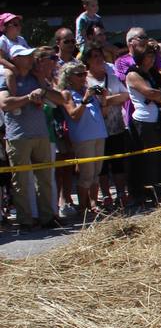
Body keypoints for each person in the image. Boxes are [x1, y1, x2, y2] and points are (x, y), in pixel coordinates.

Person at [0, 44, 62, 227]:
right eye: (25, 56)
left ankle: (47, 217)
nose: (30, 58)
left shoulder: (37, 78)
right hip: (18, 136)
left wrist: (42, 88)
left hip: (41, 134)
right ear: (15, 59)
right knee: (21, 181)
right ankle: (25, 220)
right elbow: (4, 103)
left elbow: (59, 100)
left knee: (44, 178)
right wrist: (28, 97)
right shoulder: (6, 78)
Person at [55, 61, 107, 217]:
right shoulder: (66, 93)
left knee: (96, 172)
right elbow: (73, 115)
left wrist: (103, 98)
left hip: (99, 134)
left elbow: (103, 113)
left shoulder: (88, 90)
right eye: (79, 74)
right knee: (86, 173)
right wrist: (85, 99)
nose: (83, 77)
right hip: (83, 137)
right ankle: (83, 207)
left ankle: (93, 203)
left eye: (85, 73)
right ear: (69, 77)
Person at [124, 41, 161, 205]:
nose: (152, 59)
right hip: (145, 123)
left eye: (153, 56)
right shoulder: (133, 74)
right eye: (148, 56)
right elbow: (149, 92)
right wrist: (160, 95)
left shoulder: (153, 73)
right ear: (140, 57)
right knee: (149, 160)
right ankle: (149, 194)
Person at [82, 45, 130, 209]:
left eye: (100, 55)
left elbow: (125, 95)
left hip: (116, 126)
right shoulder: (86, 80)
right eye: (94, 56)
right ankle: (105, 195)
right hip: (96, 130)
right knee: (101, 167)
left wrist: (106, 100)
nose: (99, 58)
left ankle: (121, 193)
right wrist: (106, 100)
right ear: (87, 60)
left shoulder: (112, 77)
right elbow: (87, 101)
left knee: (118, 163)